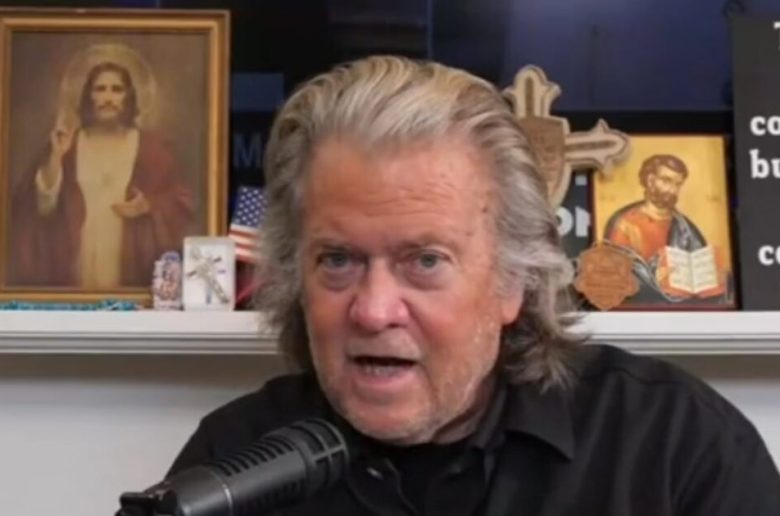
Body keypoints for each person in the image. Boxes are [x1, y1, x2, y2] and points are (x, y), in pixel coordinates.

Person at [167, 57, 780, 515]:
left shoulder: (678, 448)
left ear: (514, 280)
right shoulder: (229, 464)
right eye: (338, 260)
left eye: (425, 261)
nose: (374, 310)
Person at [10, 60, 194, 289]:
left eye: (116, 90)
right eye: (100, 89)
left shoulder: (152, 150)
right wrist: (56, 156)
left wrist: (147, 206)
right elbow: (41, 206)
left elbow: (181, 201)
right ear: (89, 96)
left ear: (128, 97)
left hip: (129, 261)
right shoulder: (68, 144)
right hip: (76, 263)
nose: (108, 98)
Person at [603, 154, 728, 302]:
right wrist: (655, 277)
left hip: (685, 307)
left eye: (678, 184)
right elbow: (616, 276)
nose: (672, 189)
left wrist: (713, 277)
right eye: (666, 181)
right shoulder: (626, 223)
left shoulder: (685, 228)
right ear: (650, 181)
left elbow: (700, 271)